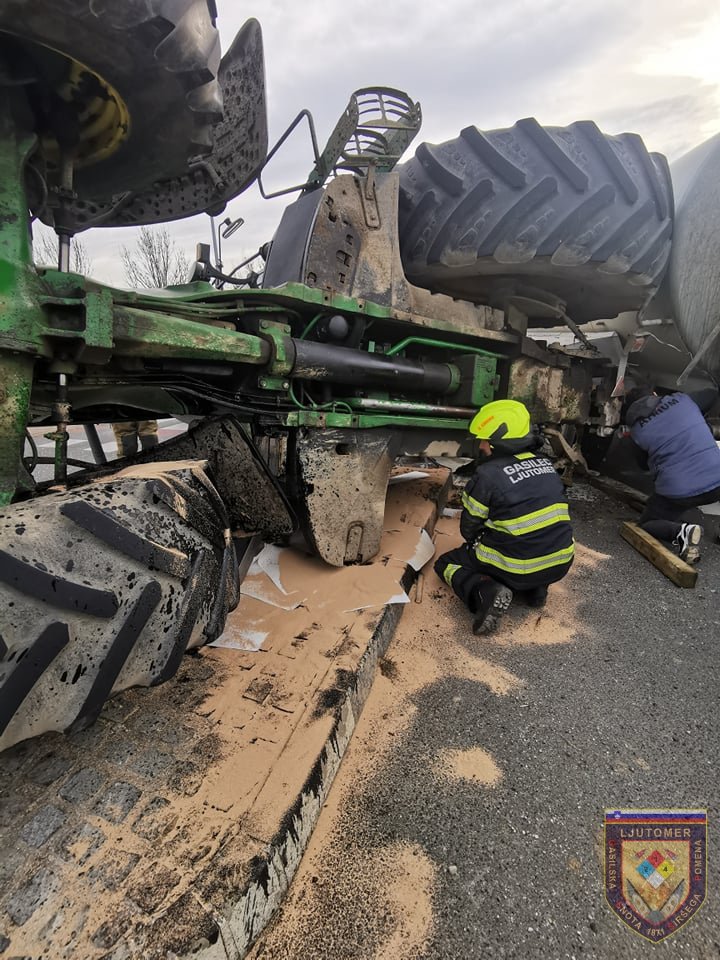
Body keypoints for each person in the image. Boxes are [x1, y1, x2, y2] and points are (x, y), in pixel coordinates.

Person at [434, 399, 574, 635]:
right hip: (560, 563)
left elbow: (469, 528)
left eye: (485, 439)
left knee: (446, 564)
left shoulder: (488, 475)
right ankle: (536, 591)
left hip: (516, 567)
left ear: (499, 440)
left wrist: (480, 546)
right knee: (536, 542)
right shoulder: (547, 465)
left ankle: (485, 592)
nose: (481, 446)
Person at [624, 385, 720, 562]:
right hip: (717, 481)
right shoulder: (684, 401)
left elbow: (643, 466)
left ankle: (682, 532)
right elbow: (712, 394)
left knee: (646, 524)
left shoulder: (637, 431)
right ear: (654, 394)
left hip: (679, 493)